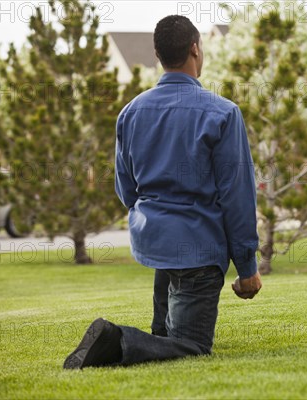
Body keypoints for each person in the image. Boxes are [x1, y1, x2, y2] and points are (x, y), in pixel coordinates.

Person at [63, 15, 262, 369]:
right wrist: (247, 267)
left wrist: (155, 215)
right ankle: (115, 339)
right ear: (195, 49)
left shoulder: (131, 112)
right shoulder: (223, 113)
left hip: (154, 242)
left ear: (158, 54)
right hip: (198, 247)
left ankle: (137, 339)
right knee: (191, 345)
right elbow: (238, 195)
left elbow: (126, 188)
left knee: (163, 339)